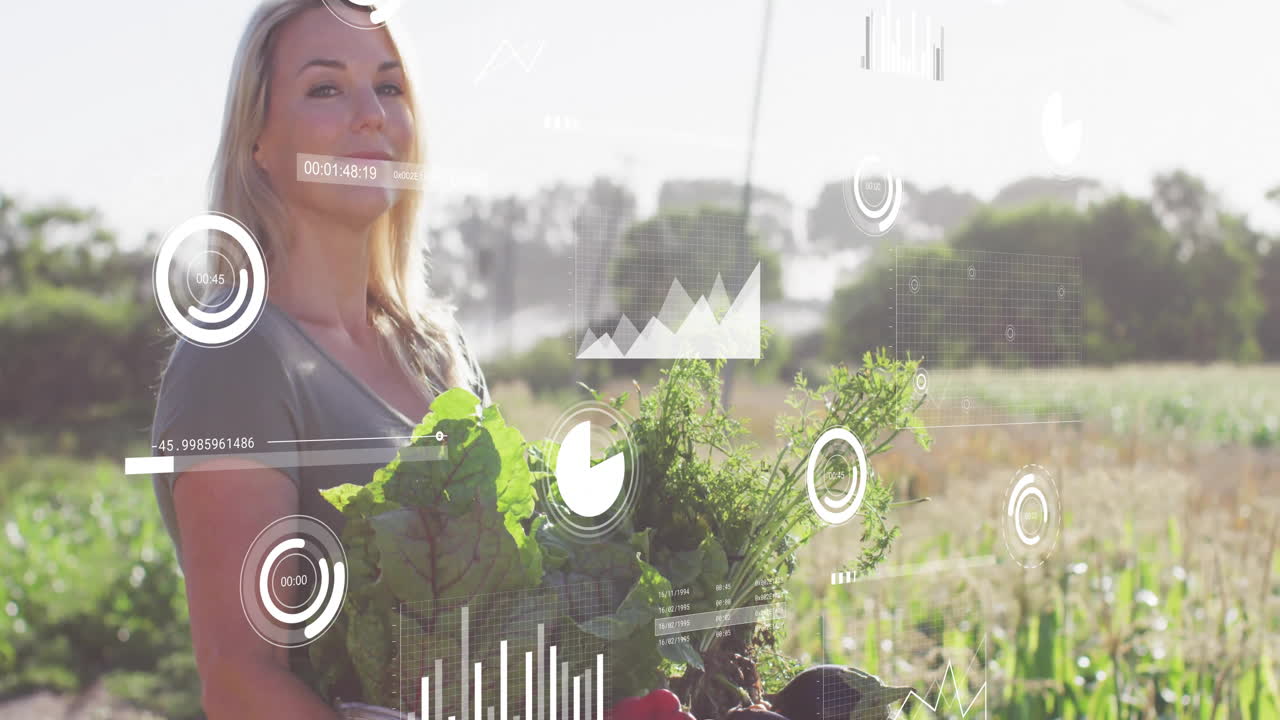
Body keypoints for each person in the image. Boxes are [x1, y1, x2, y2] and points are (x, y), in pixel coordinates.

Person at [150, 1, 487, 716]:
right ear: (258, 142)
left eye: (389, 87)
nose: (370, 113)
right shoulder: (235, 358)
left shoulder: (440, 354)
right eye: (326, 88)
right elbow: (243, 683)